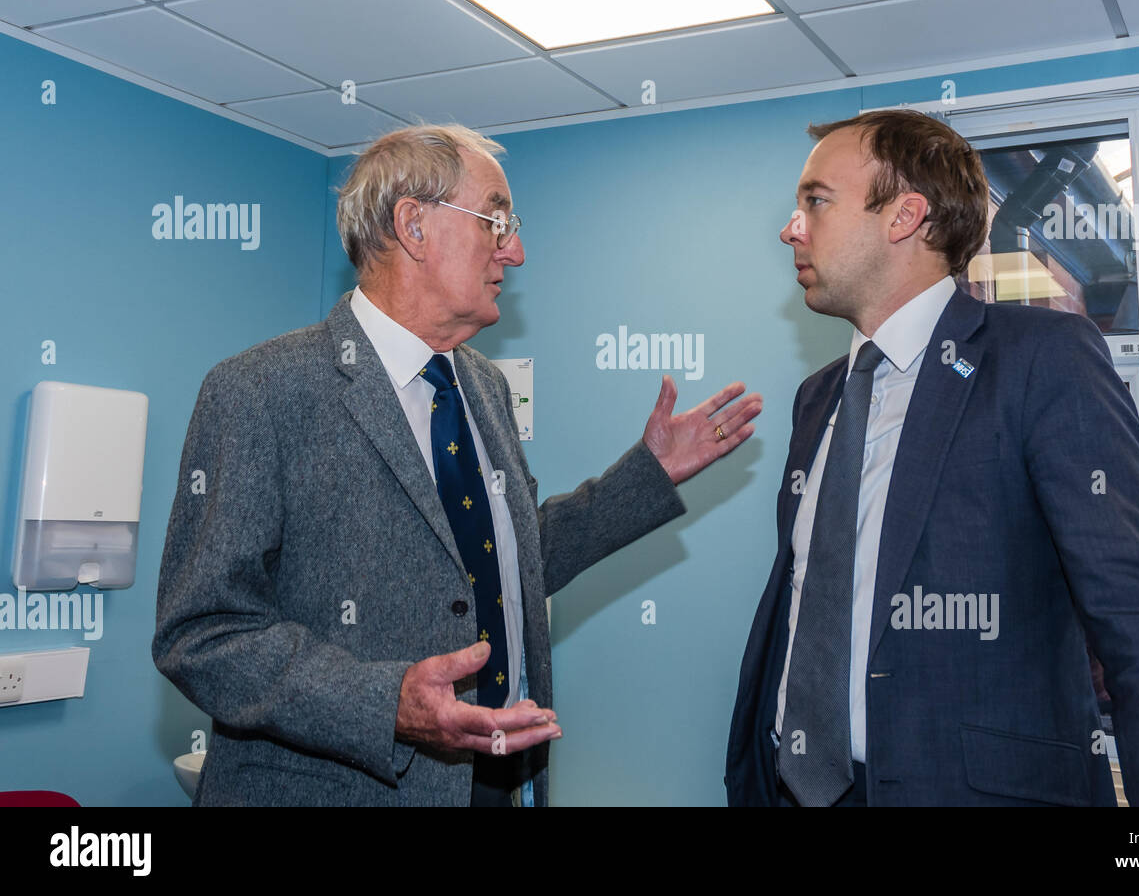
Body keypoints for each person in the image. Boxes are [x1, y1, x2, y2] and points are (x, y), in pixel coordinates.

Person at [153, 123, 761, 807]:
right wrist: (387, 704)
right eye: (496, 221)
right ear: (413, 225)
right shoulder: (262, 390)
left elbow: (508, 562)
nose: (518, 251)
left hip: (495, 782)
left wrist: (645, 475)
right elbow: (200, 632)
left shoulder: (482, 387)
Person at [725, 109, 1139, 806]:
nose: (791, 227)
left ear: (904, 216)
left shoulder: (1043, 359)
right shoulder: (819, 399)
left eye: (815, 201)